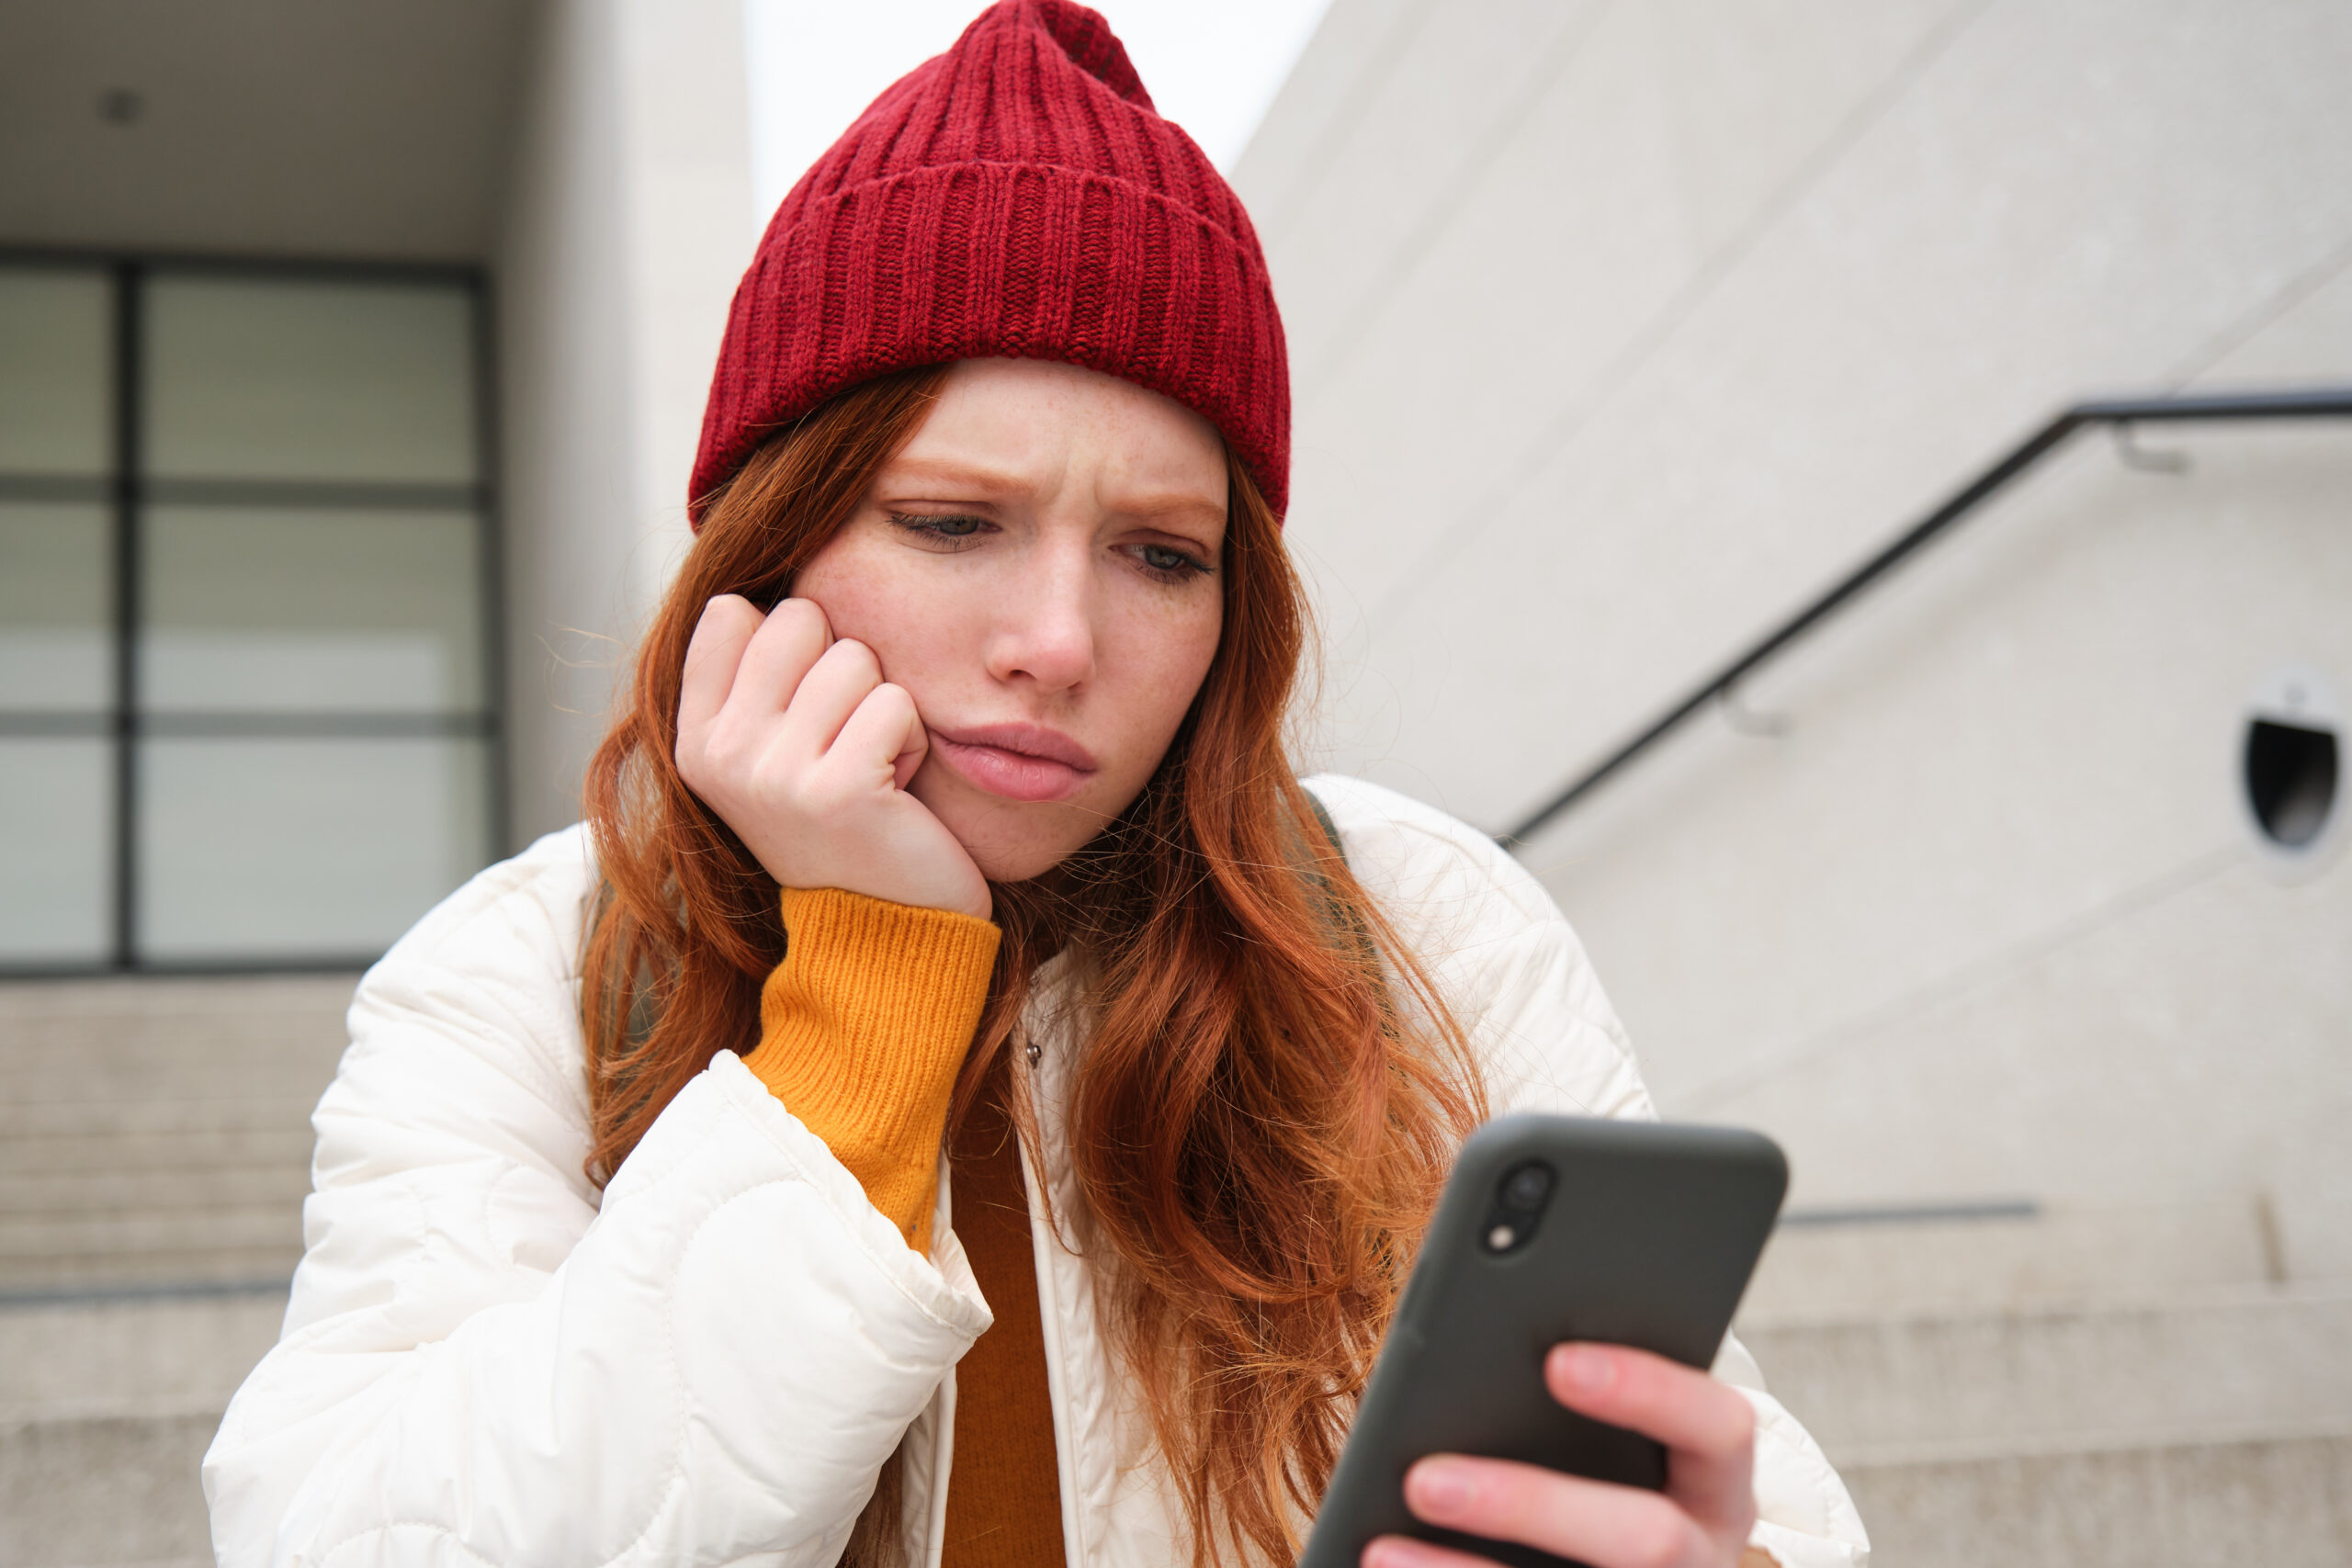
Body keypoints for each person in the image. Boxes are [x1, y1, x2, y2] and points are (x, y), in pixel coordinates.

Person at [202, 6, 1868, 1567]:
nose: (1061, 642)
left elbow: (1748, 1481)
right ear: (768, 546)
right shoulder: (522, 968)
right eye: (952, 524)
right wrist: (864, 999)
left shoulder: (1421, 920)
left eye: (1162, 553)